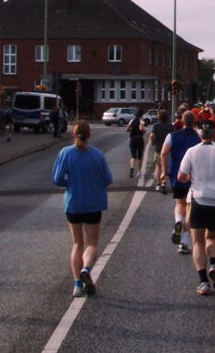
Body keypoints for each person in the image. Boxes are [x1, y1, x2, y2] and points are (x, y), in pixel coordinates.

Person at [52, 120, 113, 298]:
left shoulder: (66, 153)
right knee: (92, 242)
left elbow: (56, 179)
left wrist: (69, 183)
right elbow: (108, 179)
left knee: (77, 243)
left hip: (73, 203)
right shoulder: (97, 154)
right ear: (89, 135)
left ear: (73, 134)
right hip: (93, 203)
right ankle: (86, 268)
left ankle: (77, 285)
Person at [177, 122, 215, 295]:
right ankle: (214, 264)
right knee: (212, 237)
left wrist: (191, 178)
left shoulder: (192, 151)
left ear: (198, 133)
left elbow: (181, 177)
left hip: (198, 198)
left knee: (198, 242)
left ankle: (203, 282)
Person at [161, 111, 201, 254]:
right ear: (194, 122)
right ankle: (184, 242)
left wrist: (164, 171)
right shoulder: (198, 138)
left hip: (176, 173)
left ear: (182, 121)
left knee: (179, 203)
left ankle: (178, 219)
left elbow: (164, 152)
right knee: (190, 208)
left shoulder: (172, 136)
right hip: (192, 175)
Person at [150, 109, 174, 192]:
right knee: (166, 166)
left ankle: (158, 184)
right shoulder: (170, 126)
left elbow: (152, 135)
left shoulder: (156, 125)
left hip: (158, 147)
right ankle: (164, 182)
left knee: (158, 166)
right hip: (168, 148)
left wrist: (152, 142)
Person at [126, 109, 145, 179]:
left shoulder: (131, 121)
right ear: (141, 115)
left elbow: (127, 129)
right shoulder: (141, 121)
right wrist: (144, 131)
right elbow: (141, 129)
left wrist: (132, 130)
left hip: (132, 139)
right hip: (139, 139)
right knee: (140, 156)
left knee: (133, 156)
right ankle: (139, 171)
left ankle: (131, 167)